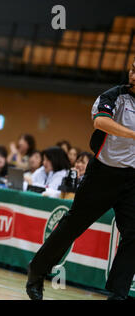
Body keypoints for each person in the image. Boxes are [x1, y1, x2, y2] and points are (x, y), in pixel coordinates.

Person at [26, 58, 135, 300]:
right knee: (73, 225)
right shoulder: (114, 96)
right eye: (133, 69)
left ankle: (118, 293)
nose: (134, 75)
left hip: (132, 179)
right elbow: (100, 122)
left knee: (134, 233)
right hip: (104, 174)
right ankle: (37, 270)